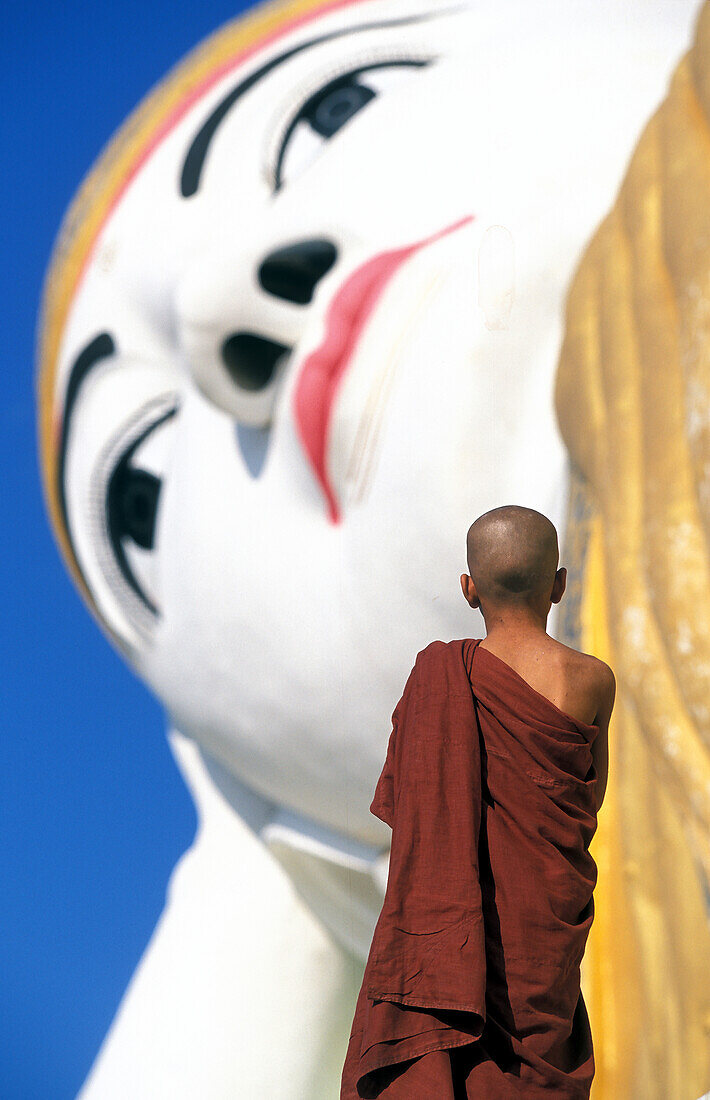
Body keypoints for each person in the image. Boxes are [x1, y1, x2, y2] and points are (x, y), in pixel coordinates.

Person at [340, 504, 616, 1098]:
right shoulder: (591, 681)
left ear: (468, 589)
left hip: (450, 940)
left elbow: (417, 812)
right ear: (560, 584)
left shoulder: (438, 674)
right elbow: (592, 792)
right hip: (542, 939)